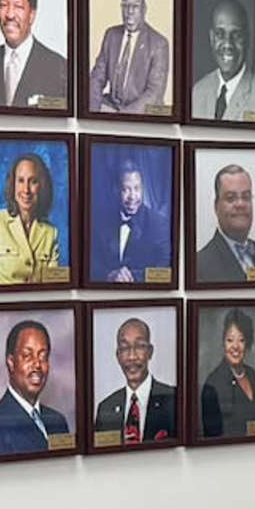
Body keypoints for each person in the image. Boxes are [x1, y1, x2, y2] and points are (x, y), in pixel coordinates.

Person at [0, 316, 69, 457]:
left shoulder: (58, 421)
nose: (37, 364)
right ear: (11, 362)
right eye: (27, 355)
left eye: (43, 356)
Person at [0, 147, 63, 285]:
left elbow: (54, 284)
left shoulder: (51, 233)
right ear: (13, 184)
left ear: (42, 186)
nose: (26, 190)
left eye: (33, 181)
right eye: (21, 181)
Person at [87, 0, 170, 115]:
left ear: (144, 9)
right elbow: (96, 77)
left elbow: (154, 93)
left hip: (141, 114)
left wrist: (123, 118)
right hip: (111, 106)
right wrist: (92, 112)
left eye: (135, 6)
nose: (129, 12)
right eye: (125, 6)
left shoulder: (159, 44)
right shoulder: (111, 35)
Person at [92, 312, 173, 445]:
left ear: (150, 352)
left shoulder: (172, 399)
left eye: (140, 346)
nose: (132, 356)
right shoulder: (105, 408)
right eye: (124, 348)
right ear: (118, 355)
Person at [89, 154, 168, 284]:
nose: (132, 197)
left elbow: (165, 269)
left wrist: (131, 277)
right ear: (116, 190)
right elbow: (90, 263)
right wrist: (108, 275)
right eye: (126, 189)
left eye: (137, 188)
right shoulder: (98, 222)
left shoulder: (159, 225)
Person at [188, 0, 255, 120]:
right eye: (220, 34)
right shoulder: (197, 92)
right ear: (212, 38)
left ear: (246, 39)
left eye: (236, 35)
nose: (228, 44)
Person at [190, 160, 255, 287]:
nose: (240, 204)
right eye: (231, 198)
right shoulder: (199, 265)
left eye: (246, 197)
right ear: (216, 206)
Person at [194, 309, 255, 440]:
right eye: (230, 340)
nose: (235, 346)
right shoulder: (213, 383)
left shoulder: (251, 374)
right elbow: (211, 437)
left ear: (248, 343)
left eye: (241, 340)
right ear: (223, 343)